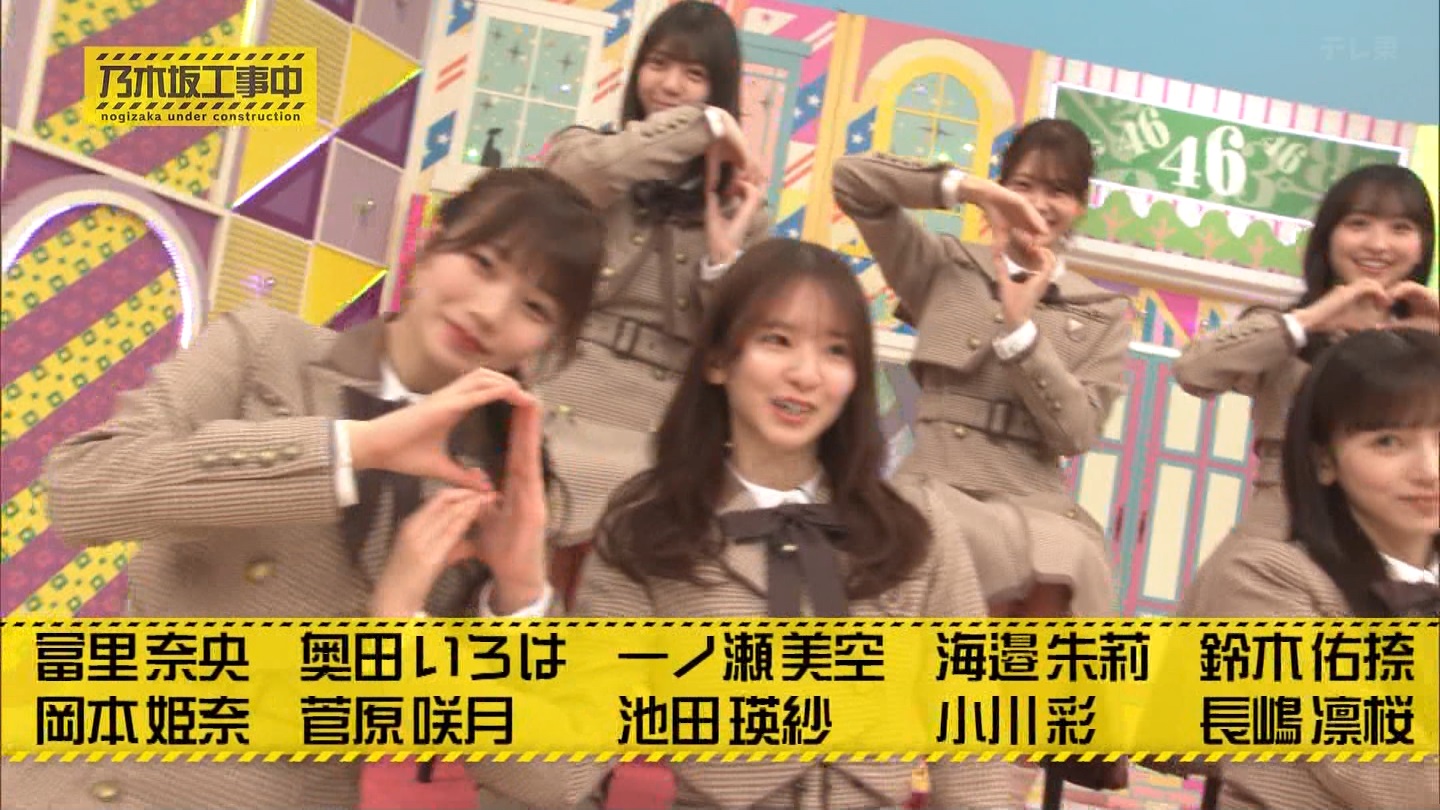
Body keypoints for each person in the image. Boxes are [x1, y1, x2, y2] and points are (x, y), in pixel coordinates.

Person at [0, 168, 606, 810]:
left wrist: (515, 596)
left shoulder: (503, 480)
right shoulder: (266, 349)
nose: (490, 311)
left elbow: (552, 779)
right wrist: (347, 450)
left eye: (534, 308)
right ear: (430, 247)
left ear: (548, 343)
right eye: (483, 264)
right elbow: (83, 490)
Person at [375, 239, 1019, 808]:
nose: (805, 373)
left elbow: (975, 749)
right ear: (717, 360)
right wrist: (453, 640)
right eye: (777, 340)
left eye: (836, 351)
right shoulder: (650, 529)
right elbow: (562, 771)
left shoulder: (917, 530)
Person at [534, 0, 771, 602]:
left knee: (618, 587)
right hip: (563, 382)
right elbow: (574, 178)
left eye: (694, 75)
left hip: (662, 416)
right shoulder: (588, 152)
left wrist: (722, 257)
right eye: (659, 64)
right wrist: (707, 124)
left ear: (720, 86)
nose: (670, 85)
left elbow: (735, 341)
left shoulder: (743, 204)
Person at [1177, 327, 1440, 809]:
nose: (1429, 470)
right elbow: (1387, 772)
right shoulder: (1262, 579)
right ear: (1323, 461)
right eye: (1388, 441)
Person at [1173, 163, 1438, 544]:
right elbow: (1194, 371)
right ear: (1327, 238)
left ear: (1422, 246)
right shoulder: (1283, 330)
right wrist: (1310, 319)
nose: (1378, 244)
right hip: (1285, 532)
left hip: (1398, 542)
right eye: (1359, 224)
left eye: (1401, 228)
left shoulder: (1429, 335)